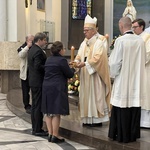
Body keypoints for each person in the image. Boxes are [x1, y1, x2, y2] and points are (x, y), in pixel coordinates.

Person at [108, 17, 146, 143]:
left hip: (123, 80)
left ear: (121, 25)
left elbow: (114, 63)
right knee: (134, 106)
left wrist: (113, 75)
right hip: (136, 80)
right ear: (131, 25)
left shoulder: (120, 41)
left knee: (122, 105)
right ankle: (132, 134)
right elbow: (144, 59)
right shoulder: (140, 41)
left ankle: (120, 134)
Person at [74, 15, 111, 127]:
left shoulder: (100, 42)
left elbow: (99, 58)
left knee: (96, 95)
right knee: (86, 96)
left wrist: (84, 63)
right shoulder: (84, 43)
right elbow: (79, 55)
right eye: (84, 30)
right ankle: (86, 119)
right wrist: (76, 61)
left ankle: (96, 119)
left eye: (86, 30)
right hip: (85, 75)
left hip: (95, 75)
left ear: (93, 30)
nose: (84, 32)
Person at [41, 41, 75, 143]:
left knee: (48, 111)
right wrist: (73, 69)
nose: (64, 50)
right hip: (57, 87)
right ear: (60, 50)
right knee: (56, 112)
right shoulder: (62, 60)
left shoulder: (48, 59)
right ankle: (55, 135)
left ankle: (50, 134)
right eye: (64, 49)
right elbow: (69, 74)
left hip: (47, 86)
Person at [28, 32, 48, 136]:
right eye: (44, 40)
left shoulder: (32, 49)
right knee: (37, 106)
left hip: (33, 81)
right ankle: (37, 129)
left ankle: (35, 127)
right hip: (38, 82)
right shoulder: (38, 51)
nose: (46, 42)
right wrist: (49, 67)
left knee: (35, 105)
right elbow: (38, 66)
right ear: (39, 40)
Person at [132, 18, 150, 128]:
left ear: (141, 27)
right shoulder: (135, 38)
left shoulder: (147, 38)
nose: (133, 29)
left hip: (146, 71)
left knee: (145, 95)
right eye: (132, 27)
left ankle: (146, 122)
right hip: (136, 71)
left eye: (135, 27)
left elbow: (147, 55)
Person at [17, 35, 34, 114]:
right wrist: (27, 47)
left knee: (34, 90)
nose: (32, 42)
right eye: (31, 40)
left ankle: (34, 105)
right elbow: (21, 55)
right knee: (25, 91)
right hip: (25, 73)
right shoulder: (23, 47)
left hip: (33, 73)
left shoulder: (35, 47)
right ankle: (27, 105)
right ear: (27, 40)